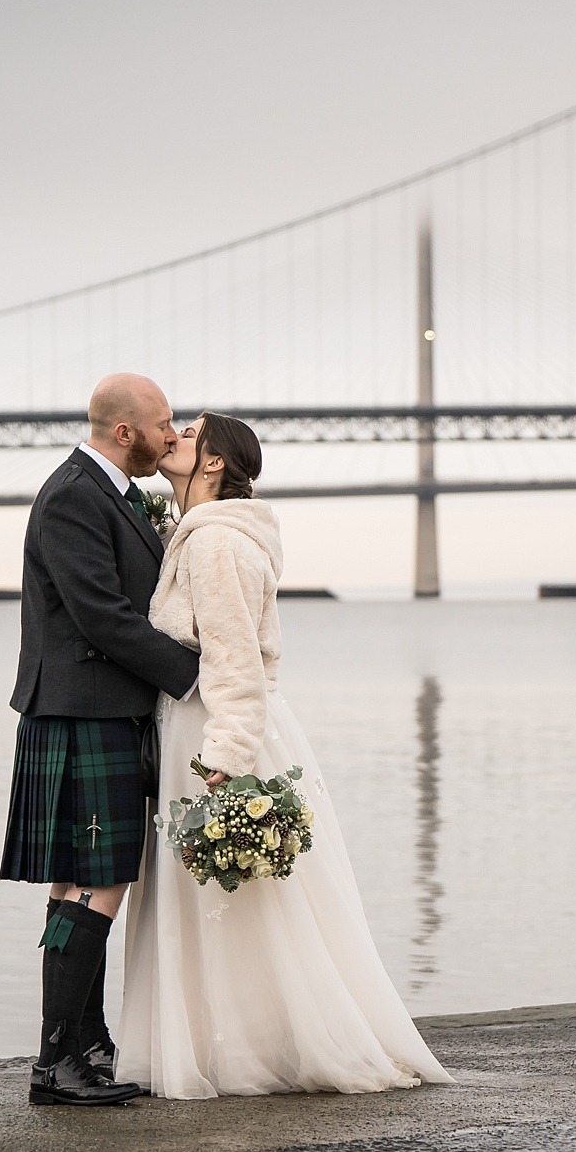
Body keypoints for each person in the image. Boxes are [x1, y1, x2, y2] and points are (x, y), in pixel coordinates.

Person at [117, 411, 452, 1098]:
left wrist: (224, 754)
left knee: (234, 900)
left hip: (217, 725)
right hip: (213, 720)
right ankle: (241, 1040)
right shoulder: (212, 532)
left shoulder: (215, 542)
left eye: (187, 434)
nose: (172, 437)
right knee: (242, 906)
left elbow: (235, 658)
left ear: (214, 463)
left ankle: (239, 1050)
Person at [0, 373, 201, 1106]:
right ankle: (56, 1064)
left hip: (91, 709)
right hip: (84, 710)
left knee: (73, 884)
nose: (172, 435)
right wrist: (196, 677)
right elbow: (103, 617)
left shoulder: (103, 491)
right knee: (100, 880)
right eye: (164, 423)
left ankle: (85, 1042)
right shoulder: (75, 496)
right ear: (126, 432)